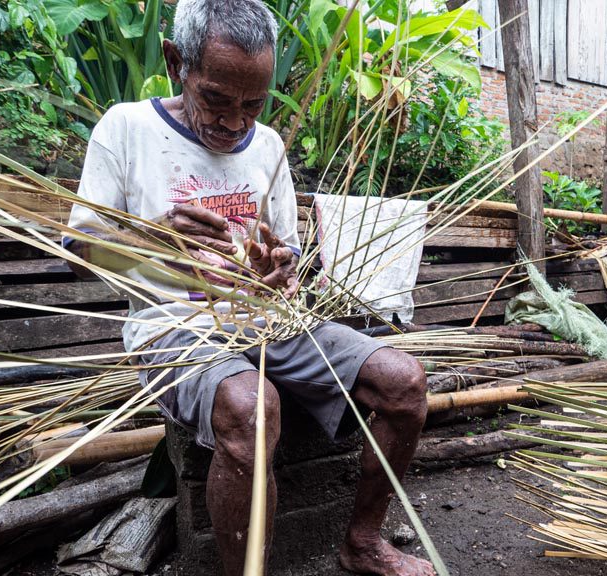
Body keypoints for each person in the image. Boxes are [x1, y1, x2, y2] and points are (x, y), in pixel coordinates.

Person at [64, 1, 434, 574]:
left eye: (253, 104)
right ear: (175, 61)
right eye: (216, 98)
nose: (235, 122)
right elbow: (78, 256)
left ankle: (362, 543)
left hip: (269, 320)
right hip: (172, 326)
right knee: (251, 406)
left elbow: (289, 253)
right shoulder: (126, 129)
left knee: (404, 383)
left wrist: (281, 265)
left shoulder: (267, 149)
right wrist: (153, 238)